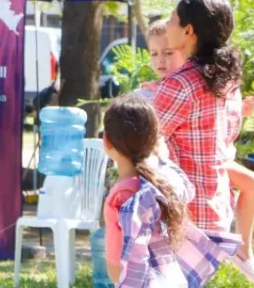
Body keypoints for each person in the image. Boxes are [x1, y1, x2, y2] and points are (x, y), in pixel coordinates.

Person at [144, 12, 254, 283]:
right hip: (184, 169)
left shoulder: (196, 79)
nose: (161, 60)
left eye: (168, 52)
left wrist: (240, 110)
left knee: (252, 182)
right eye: (153, 54)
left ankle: (244, 250)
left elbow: (217, 126)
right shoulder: (166, 86)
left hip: (210, 161)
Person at [102, 95, 238, 286]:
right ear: (154, 141)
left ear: (106, 142)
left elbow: (118, 268)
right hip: (173, 279)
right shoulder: (165, 182)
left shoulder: (121, 197)